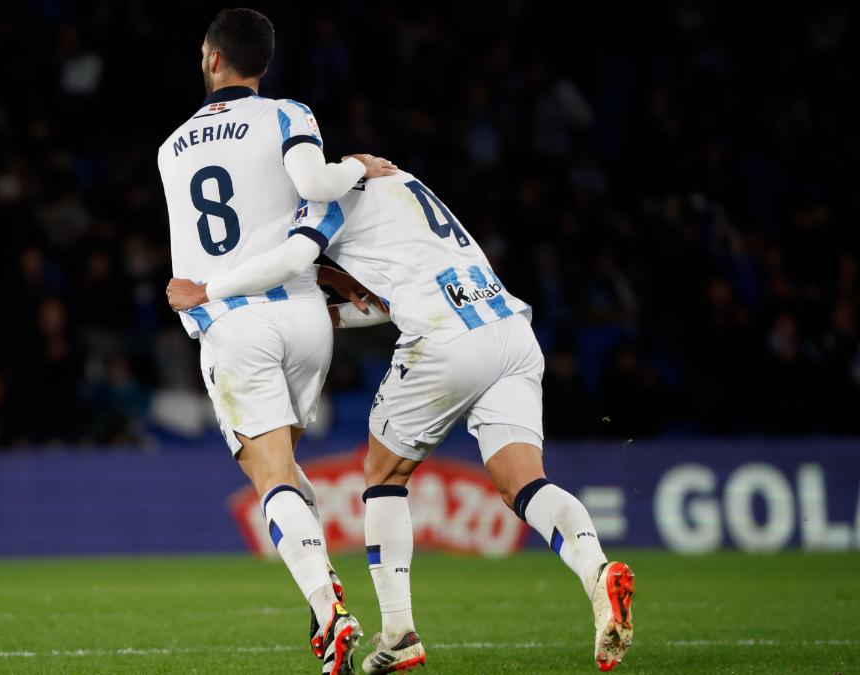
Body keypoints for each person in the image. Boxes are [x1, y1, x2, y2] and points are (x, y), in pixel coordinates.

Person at [167, 171, 636, 673]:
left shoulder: (323, 200)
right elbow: (389, 300)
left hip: (446, 337)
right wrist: (333, 308)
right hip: (509, 330)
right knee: (524, 483)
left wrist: (211, 290)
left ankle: (398, 633)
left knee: (383, 475)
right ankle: (597, 572)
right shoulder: (404, 183)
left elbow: (290, 259)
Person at [156, 8, 396, 674]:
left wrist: (199, 313)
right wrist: (360, 167)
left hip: (236, 323)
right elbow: (307, 196)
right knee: (284, 470)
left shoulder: (172, 147)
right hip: (306, 319)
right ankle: (322, 603)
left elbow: (193, 268)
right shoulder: (291, 113)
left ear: (210, 58)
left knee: (268, 479)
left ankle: (330, 611)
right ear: (264, 61)